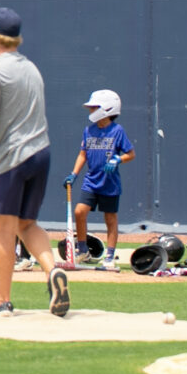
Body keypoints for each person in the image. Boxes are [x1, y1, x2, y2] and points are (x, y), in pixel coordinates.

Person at [0, 6, 66, 317]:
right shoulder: (31, 69)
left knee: (3, 229)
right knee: (27, 224)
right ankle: (53, 271)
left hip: (10, 160)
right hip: (40, 153)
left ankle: (3, 301)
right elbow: (18, 119)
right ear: (17, 38)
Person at [69, 90, 135, 272]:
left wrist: (117, 160)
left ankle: (110, 256)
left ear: (106, 109)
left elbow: (130, 154)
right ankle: (83, 250)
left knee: (110, 218)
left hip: (109, 182)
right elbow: (83, 154)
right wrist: (74, 174)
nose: (91, 111)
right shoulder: (88, 131)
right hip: (91, 180)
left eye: (94, 107)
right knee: (79, 211)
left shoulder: (117, 131)